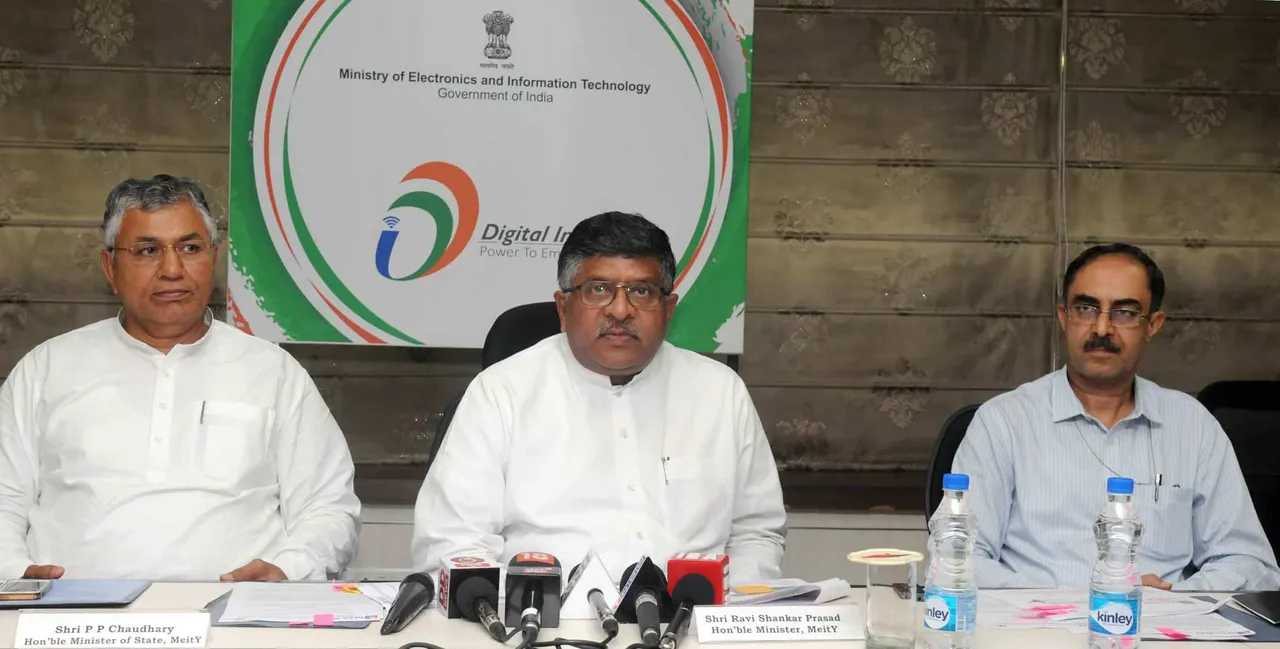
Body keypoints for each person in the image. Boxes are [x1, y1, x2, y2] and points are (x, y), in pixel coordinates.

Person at [0, 175, 361, 581]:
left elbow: (328, 507)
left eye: (190, 248)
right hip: (73, 623)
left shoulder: (273, 371)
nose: (172, 269)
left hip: (235, 623)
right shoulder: (46, 369)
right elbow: (4, 498)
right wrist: (17, 575)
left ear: (213, 257)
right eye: (148, 250)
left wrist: (289, 569)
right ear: (110, 267)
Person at [412, 211, 786, 584]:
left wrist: (722, 617)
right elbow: (454, 544)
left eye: (641, 291)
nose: (620, 310)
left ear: (669, 309)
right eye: (599, 290)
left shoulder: (720, 392)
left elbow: (756, 533)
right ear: (563, 308)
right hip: (542, 631)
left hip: (688, 629)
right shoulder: (500, 394)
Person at [953, 243, 1280, 591]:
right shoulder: (1003, 422)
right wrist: (1064, 605)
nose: (1103, 328)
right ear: (1064, 317)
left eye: (1124, 312)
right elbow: (959, 559)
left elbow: (1250, 564)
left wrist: (1177, 599)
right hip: (1039, 633)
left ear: (1153, 324)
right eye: (1086, 308)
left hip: (1163, 634)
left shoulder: (1193, 427)